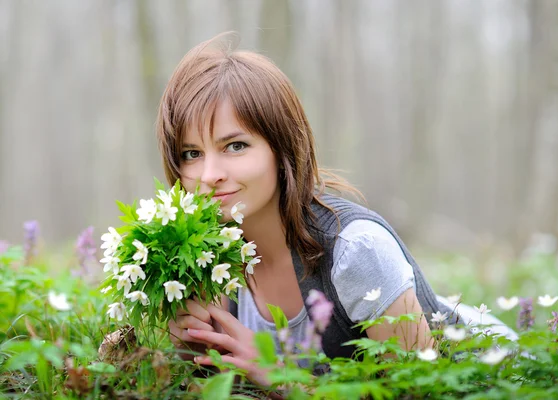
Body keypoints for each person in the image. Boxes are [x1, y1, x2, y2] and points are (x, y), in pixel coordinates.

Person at [157, 32, 513, 386]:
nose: (210, 175)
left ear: (282, 149)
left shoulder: (355, 250)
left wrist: (280, 378)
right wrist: (189, 352)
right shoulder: (206, 262)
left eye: (235, 146)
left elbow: (421, 391)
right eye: (192, 153)